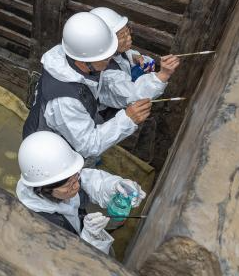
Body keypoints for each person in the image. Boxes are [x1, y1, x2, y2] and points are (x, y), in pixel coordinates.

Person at [23, 11, 151, 165]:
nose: (110, 60)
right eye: (106, 58)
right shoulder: (65, 102)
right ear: (84, 62)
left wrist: (131, 57)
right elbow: (88, 145)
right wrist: (127, 119)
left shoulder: (77, 55)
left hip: (69, 132)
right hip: (49, 152)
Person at [16, 131, 146, 254]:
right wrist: (89, 239)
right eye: (69, 185)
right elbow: (68, 261)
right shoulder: (40, 225)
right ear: (43, 190)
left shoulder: (61, 181)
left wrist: (114, 186)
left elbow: (89, 180)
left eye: (76, 177)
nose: (77, 186)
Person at [89, 7, 181, 110]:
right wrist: (163, 75)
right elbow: (134, 94)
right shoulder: (106, 74)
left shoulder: (115, 53)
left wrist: (136, 58)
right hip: (111, 113)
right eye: (122, 36)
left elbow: (124, 56)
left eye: (127, 31)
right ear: (105, 42)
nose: (129, 37)